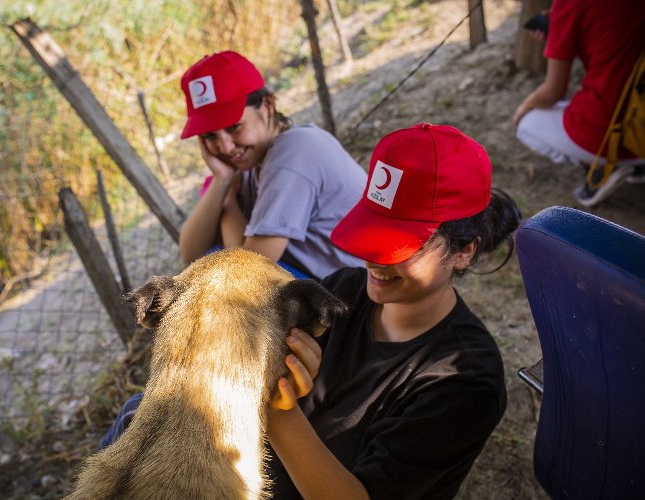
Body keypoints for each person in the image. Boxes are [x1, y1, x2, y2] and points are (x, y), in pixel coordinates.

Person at [102, 123, 522, 499]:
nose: (374, 261)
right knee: (135, 414)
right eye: (372, 231)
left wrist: (277, 410)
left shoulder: (463, 380)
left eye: (400, 246)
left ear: (465, 251)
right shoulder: (347, 289)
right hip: (249, 466)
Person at [177, 50, 366, 280]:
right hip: (329, 287)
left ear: (267, 105)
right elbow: (190, 251)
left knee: (221, 273)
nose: (225, 147)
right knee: (211, 259)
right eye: (209, 136)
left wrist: (227, 200)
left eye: (234, 127)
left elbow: (248, 273)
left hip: (360, 297)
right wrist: (221, 181)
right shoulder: (247, 164)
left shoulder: (295, 150)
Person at [512, 0, 645, 207]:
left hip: (614, 135)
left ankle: (601, 167)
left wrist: (524, 106)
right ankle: (638, 167)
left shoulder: (569, 4)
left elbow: (553, 92)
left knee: (526, 124)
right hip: (640, 120)